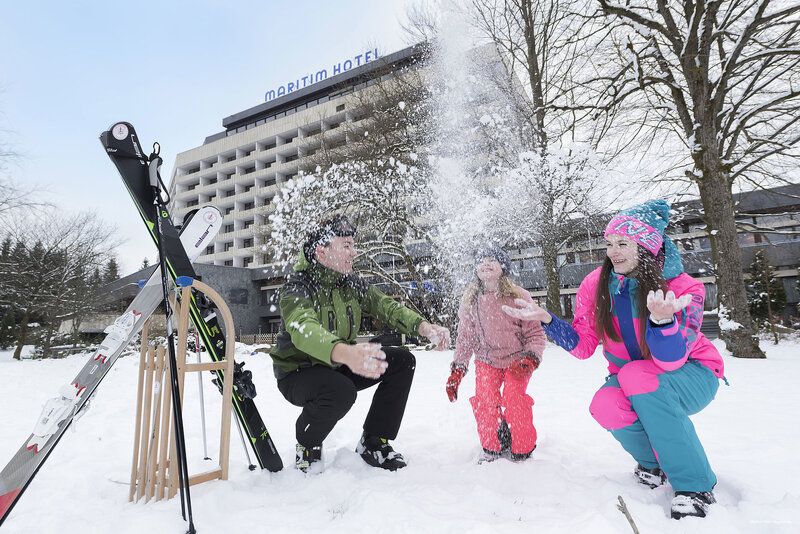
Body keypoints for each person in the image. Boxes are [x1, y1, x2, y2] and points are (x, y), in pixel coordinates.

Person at [503, 200, 725, 520]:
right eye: (609, 243)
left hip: (693, 375)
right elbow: (583, 346)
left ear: (647, 245)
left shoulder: (681, 288)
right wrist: (548, 320)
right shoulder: (596, 284)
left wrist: (663, 323)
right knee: (605, 403)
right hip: (633, 378)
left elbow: (673, 361)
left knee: (637, 376)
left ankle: (694, 485)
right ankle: (654, 464)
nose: (612, 252)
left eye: (623, 243)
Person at [269, 214, 451, 473]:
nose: (354, 253)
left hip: (338, 364)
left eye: (354, 245)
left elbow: (386, 306)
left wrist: (423, 327)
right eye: (346, 246)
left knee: (401, 362)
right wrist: (346, 353)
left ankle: (373, 442)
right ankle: (307, 443)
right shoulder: (298, 289)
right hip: (299, 373)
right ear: (322, 252)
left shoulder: (350, 284)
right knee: (341, 390)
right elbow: (303, 329)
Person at [446, 246, 546, 463]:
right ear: (476, 270)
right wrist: (457, 370)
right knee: (485, 400)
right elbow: (465, 339)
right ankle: (493, 444)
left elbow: (535, 334)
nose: (486, 264)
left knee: (514, 399)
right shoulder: (470, 300)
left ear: (503, 267)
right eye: (481, 261)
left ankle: (523, 447)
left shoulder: (519, 296)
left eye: (492, 260)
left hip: (517, 360)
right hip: (487, 359)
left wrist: (529, 358)